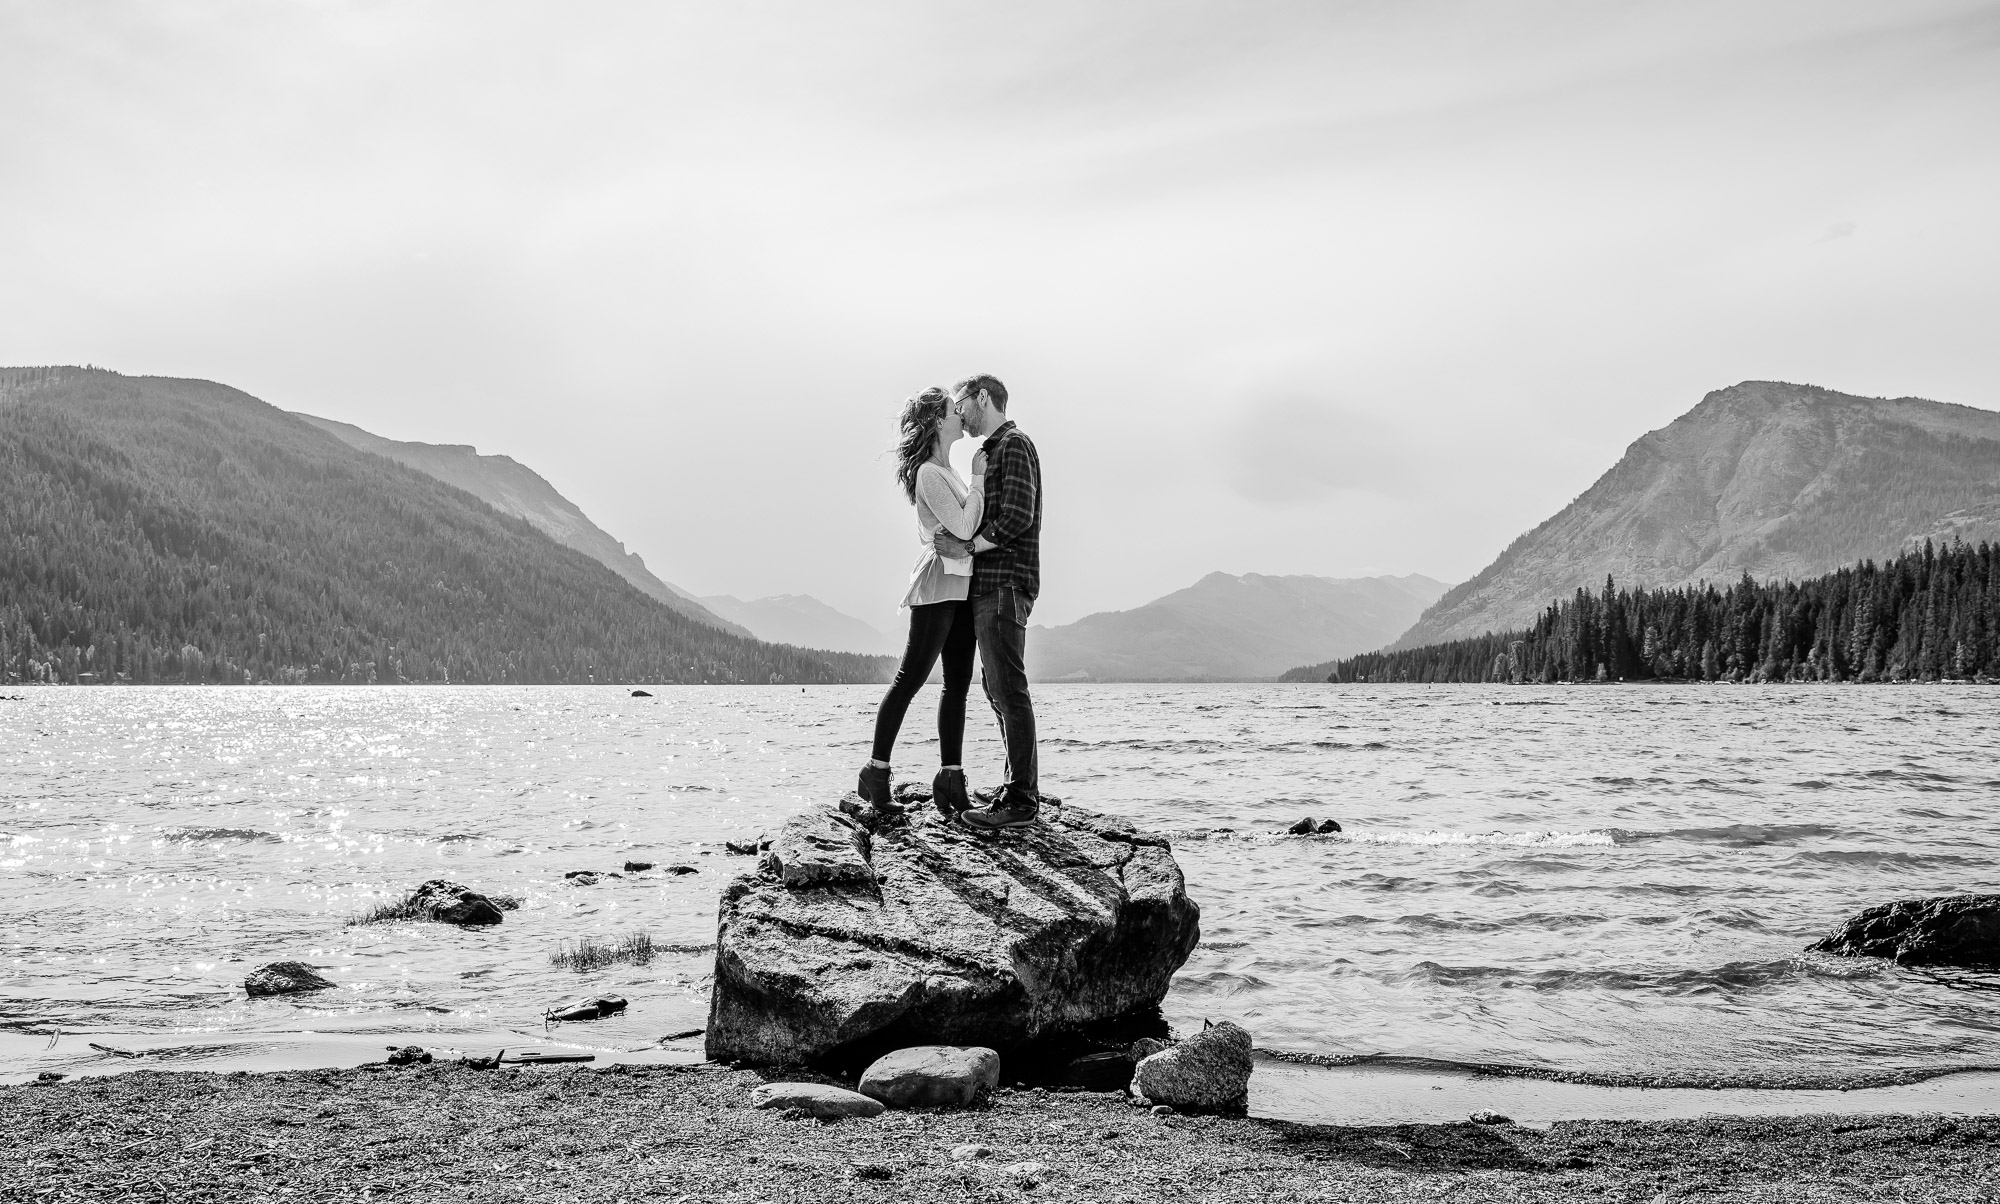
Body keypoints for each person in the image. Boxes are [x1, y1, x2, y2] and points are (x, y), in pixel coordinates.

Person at [857, 387, 985, 816]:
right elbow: (966, 528)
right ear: (936, 422)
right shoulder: (930, 473)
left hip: (961, 585)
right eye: (953, 410)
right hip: (936, 587)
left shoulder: (949, 472)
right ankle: (875, 772)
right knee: (910, 679)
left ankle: (950, 777)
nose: (961, 415)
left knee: (957, 686)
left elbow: (965, 533)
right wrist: (982, 480)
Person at [933, 373, 1043, 831]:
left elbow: (1019, 514)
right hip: (990, 586)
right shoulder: (992, 451)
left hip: (1005, 582)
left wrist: (968, 548)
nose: (959, 414)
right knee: (996, 689)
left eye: (962, 405)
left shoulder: (1014, 444)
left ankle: (1020, 801)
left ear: (983, 398)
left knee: (1008, 689)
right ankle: (1016, 789)